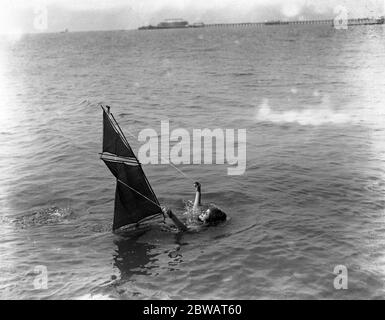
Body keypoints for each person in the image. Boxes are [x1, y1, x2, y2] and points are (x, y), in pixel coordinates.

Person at [163, 182, 227, 232]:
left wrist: (172, 216)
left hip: (177, 229)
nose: (203, 212)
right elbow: (196, 206)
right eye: (205, 211)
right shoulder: (200, 218)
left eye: (206, 213)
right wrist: (198, 191)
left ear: (210, 220)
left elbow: (184, 229)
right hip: (177, 224)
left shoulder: (200, 227)